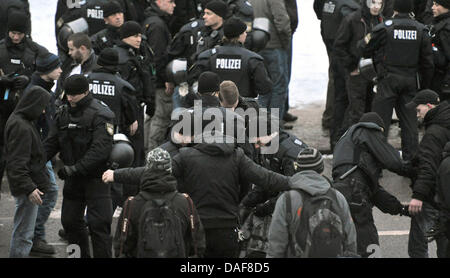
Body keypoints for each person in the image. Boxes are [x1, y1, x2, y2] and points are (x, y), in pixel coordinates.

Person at [103, 119, 293, 258]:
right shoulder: (237, 156)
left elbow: (152, 172)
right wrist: (295, 182)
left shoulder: (186, 156)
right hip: (227, 227)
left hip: (196, 228)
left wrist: (117, 174)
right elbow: (266, 178)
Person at [44, 74, 115, 258]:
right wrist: (36, 162)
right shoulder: (63, 113)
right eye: (68, 94)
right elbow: (52, 142)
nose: (70, 98)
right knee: (69, 223)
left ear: (86, 92)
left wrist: (75, 168)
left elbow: (100, 150)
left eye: (74, 95)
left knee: (99, 225)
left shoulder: (101, 114)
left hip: (96, 177)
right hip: (73, 178)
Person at [360, 0, 435, 161]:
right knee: (410, 125)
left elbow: (365, 48)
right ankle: (411, 162)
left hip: (387, 79)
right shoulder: (421, 29)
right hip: (410, 81)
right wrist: (424, 86)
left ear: (394, 9)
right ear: (411, 10)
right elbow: (428, 63)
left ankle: (375, 161)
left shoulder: (384, 27)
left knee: (379, 123)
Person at [332, 112, 412, 257]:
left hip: (342, 193)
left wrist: (400, 208)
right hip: (354, 194)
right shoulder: (365, 130)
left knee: (348, 242)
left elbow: (373, 191)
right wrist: (416, 171)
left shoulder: (349, 144)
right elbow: (394, 161)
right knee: (368, 242)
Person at [113, 147, 206, 258]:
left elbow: (122, 246)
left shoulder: (132, 204)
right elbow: (197, 244)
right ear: (170, 169)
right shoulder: (185, 203)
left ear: (147, 169)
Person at [4, 86, 51, 258]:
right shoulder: (21, 127)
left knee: (24, 232)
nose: (44, 110)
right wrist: (30, 188)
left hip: (28, 185)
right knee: (24, 234)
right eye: (42, 106)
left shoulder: (23, 121)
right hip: (28, 189)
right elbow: (17, 163)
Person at [266, 170, 358, 258]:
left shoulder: (287, 199)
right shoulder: (337, 197)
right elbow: (350, 237)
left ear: (298, 169)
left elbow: (276, 243)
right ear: (321, 169)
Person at [404, 89, 450, 257]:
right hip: (446, 196)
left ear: (429, 106)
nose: (417, 115)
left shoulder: (433, 133)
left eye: (418, 110)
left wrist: (419, 195)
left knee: (417, 245)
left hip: (431, 196)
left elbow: (428, 166)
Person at [26, 53, 62, 257]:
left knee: (45, 193)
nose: (61, 70)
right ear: (47, 70)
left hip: (43, 150)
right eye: (57, 67)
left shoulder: (44, 88)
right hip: (38, 151)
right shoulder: (36, 91)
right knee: (48, 193)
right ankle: (35, 236)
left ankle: (32, 236)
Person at [189, 17, 272, 101]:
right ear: (240, 35)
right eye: (244, 32)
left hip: (213, 109)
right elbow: (264, 88)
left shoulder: (207, 56)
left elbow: (194, 82)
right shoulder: (252, 59)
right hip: (244, 109)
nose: (246, 34)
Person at [334, 0, 384, 133]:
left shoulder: (381, 20)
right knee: (355, 111)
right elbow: (339, 46)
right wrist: (351, 66)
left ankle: (365, 143)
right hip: (356, 71)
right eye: (373, 3)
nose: (376, 7)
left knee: (370, 110)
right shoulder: (352, 19)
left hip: (373, 72)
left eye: (379, 3)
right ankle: (348, 142)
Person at [115, 21, 156, 167]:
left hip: (136, 107)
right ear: (125, 37)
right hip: (130, 112)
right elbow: (125, 91)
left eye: (140, 36)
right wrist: (131, 117)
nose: (138, 39)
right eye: (134, 36)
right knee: (133, 151)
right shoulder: (124, 59)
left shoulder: (136, 53)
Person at [142, 0, 177, 152]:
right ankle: (153, 156)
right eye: (170, 1)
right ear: (160, 1)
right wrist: (166, 80)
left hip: (151, 81)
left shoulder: (151, 21)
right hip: (158, 83)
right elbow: (158, 58)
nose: (174, 5)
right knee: (160, 118)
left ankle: (146, 155)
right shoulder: (157, 25)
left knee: (150, 119)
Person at [249, 0, 291, 124]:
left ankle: (259, 125)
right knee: (278, 86)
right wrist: (285, 42)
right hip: (274, 45)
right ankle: (273, 126)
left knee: (262, 88)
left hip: (256, 46)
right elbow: (282, 21)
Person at [0, 11, 48, 78]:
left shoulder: (36, 50)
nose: (16, 37)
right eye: (13, 33)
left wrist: (30, 80)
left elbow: (49, 73)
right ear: (8, 31)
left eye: (19, 34)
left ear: (25, 33)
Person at [55, 32, 98, 101]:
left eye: (72, 49)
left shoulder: (98, 67)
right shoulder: (67, 65)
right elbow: (59, 91)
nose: (69, 52)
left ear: (82, 48)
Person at [429, 0, 450, 101]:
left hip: (442, 80)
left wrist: (446, 83)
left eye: (437, 5)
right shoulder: (438, 23)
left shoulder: (445, 29)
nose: (432, 7)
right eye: (433, 4)